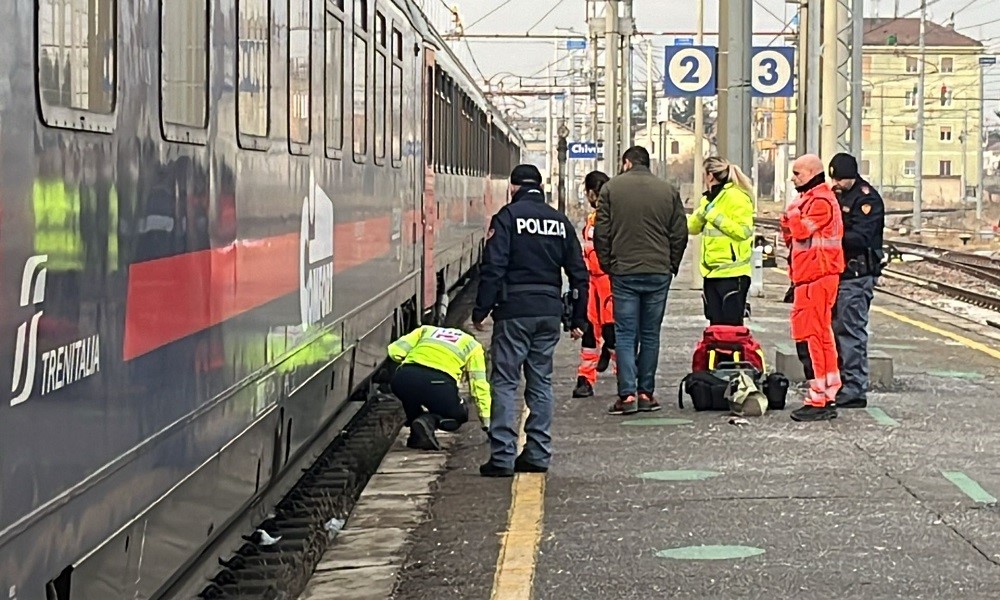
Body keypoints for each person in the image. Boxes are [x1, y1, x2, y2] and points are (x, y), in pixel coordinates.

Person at [472, 164, 589, 477]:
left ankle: (502, 457)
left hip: (514, 311)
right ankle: (537, 453)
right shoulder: (560, 222)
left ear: (513, 187)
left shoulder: (507, 218)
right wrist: (579, 318)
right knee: (541, 381)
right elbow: (579, 273)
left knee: (506, 382)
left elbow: (493, 267)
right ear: (540, 187)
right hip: (549, 312)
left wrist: (481, 309)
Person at [593, 146, 688, 415]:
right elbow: (679, 232)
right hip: (658, 271)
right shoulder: (668, 190)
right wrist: (671, 264)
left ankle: (627, 396)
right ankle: (646, 393)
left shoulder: (611, 189)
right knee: (650, 333)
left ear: (626, 163)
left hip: (624, 271)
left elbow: (602, 231)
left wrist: (607, 264)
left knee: (625, 334)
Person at [781, 154, 846, 422]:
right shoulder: (811, 200)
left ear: (812, 173)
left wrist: (793, 214)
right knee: (813, 335)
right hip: (809, 277)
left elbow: (799, 231)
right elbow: (789, 233)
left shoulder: (819, 201)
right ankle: (824, 391)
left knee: (815, 337)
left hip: (818, 276)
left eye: (798, 173)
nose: (793, 178)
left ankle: (820, 396)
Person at [827, 153, 885, 409]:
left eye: (840, 178)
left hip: (858, 275)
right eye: (833, 178)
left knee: (850, 330)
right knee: (837, 329)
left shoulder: (866, 199)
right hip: (840, 274)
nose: (835, 183)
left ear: (851, 176)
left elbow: (860, 238)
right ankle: (842, 383)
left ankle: (854, 388)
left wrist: (830, 237)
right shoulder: (838, 195)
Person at [387, 325, 491, 451]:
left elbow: (394, 351)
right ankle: (429, 421)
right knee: (459, 415)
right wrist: (486, 421)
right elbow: (478, 385)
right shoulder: (473, 346)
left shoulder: (426, 330)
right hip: (439, 383)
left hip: (403, 378)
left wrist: (413, 362)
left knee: (412, 398)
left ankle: (417, 437)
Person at [687, 156, 756, 325]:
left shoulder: (737, 197)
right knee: (715, 326)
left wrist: (714, 216)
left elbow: (743, 231)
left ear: (710, 175)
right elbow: (692, 228)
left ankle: (733, 352)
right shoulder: (709, 199)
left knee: (731, 328)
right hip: (711, 272)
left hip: (733, 274)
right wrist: (701, 213)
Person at [573, 170, 617, 399]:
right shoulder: (595, 218)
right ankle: (585, 378)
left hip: (609, 281)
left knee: (612, 332)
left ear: (591, 193)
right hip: (592, 280)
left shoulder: (613, 216)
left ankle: (625, 380)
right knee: (589, 330)